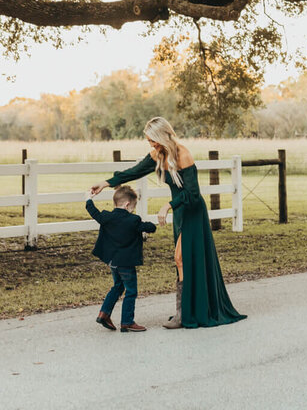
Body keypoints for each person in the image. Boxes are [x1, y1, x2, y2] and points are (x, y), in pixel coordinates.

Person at [90, 117, 246, 329]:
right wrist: (106, 183)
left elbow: (192, 194)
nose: (152, 145)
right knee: (182, 260)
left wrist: (168, 205)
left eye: (153, 140)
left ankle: (185, 314)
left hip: (192, 212)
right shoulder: (157, 155)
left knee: (181, 257)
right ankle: (184, 310)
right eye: (149, 141)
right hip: (180, 212)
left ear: (163, 136)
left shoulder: (183, 154)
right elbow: (134, 171)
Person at [86, 184, 158, 332]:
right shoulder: (133, 220)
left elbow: (94, 212)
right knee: (131, 291)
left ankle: (104, 313)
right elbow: (150, 227)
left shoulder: (106, 217)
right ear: (127, 204)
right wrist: (152, 224)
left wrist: (88, 199)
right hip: (126, 263)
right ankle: (127, 321)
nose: (133, 210)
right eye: (132, 207)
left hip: (112, 262)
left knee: (118, 286)